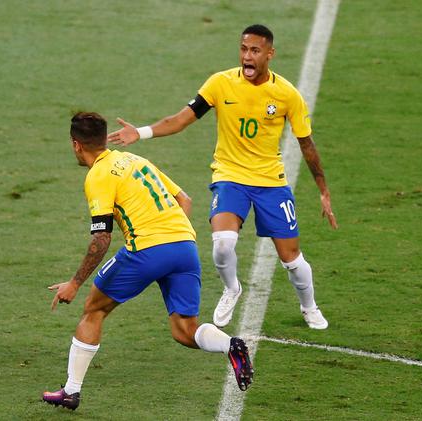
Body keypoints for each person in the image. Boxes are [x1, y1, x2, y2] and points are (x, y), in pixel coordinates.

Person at [107, 24, 338, 330]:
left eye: (255, 51)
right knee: (223, 244)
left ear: (270, 54)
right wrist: (141, 132)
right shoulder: (220, 83)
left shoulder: (286, 95)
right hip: (230, 177)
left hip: (271, 183)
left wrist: (323, 190)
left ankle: (309, 306)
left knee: (292, 259)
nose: (247, 56)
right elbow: (180, 120)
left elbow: (306, 144)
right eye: (243, 49)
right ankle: (232, 289)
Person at [42, 111, 253, 411]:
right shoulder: (136, 160)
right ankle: (229, 345)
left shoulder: (98, 176)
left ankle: (71, 391)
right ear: (103, 139)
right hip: (184, 246)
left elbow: (101, 239)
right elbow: (185, 200)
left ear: (76, 145)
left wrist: (75, 283)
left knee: (93, 310)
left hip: (145, 249)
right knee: (184, 329)